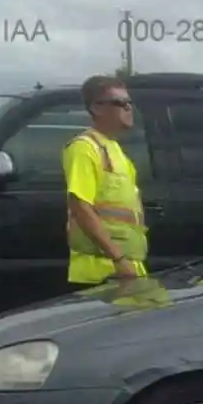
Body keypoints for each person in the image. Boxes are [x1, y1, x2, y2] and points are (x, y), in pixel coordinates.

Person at [64, 75, 148, 288]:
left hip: (123, 269)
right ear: (97, 108)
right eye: (121, 103)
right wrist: (118, 258)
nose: (129, 108)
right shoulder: (84, 148)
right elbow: (80, 206)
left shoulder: (114, 149)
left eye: (130, 103)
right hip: (100, 272)